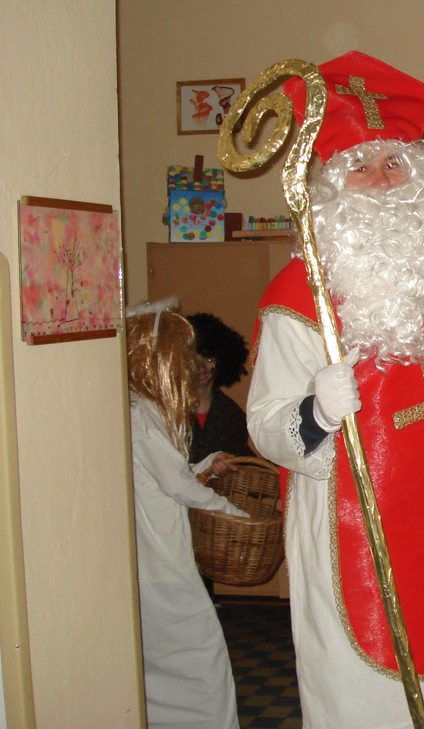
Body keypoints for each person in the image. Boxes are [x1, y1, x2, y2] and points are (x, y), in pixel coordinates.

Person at [244, 51, 424, 728]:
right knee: (360, 696)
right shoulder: (298, 292)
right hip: (349, 517)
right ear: (333, 186)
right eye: (360, 166)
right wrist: (315, 412)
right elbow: (266, 421)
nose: (382, 180)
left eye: (394, 163)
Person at [126, 302, 245, 729]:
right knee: (201, 658)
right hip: (159, 565)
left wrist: (207, 464)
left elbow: (170, 476)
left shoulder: (148, 411)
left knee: (185, 662)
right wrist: (233, 512)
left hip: (164, 557)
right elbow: (177, 487)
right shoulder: (141, 416)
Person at [187, 311, 253, 464]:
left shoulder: (232, 415)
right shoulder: (168, 411)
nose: (202, 367)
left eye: (209, 359)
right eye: (194, 360)